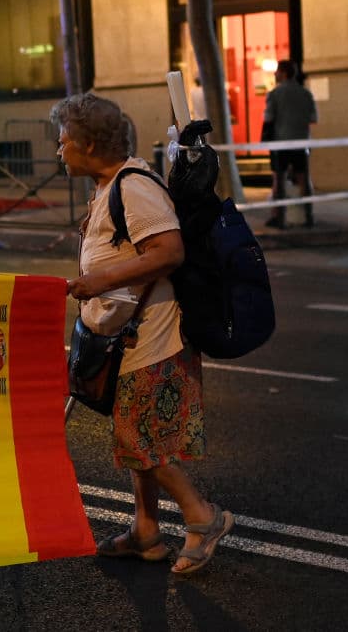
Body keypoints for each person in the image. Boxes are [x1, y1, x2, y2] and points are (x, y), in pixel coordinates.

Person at [53, 92, 233, 576]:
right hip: (127, 340)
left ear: (90, 144)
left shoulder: (133, 187)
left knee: (139, 440)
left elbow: (169, 252)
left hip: (153, 337)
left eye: (64, 140)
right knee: (135, 435)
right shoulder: (109, 185)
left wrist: (98, 282)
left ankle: (203, 517)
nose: (59, 149)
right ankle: (146, 532)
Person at [263, 59, 317, 228]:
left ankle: (279, 217)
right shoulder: (306, 93)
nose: (275, 74)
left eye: (277, 71)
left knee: (279, 179)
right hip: (301, 142)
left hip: (280, 143)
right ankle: (308, 215)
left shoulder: (275, 94)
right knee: (303, 178)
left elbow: (268, 117)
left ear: (284, 73)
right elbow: (313, 118)